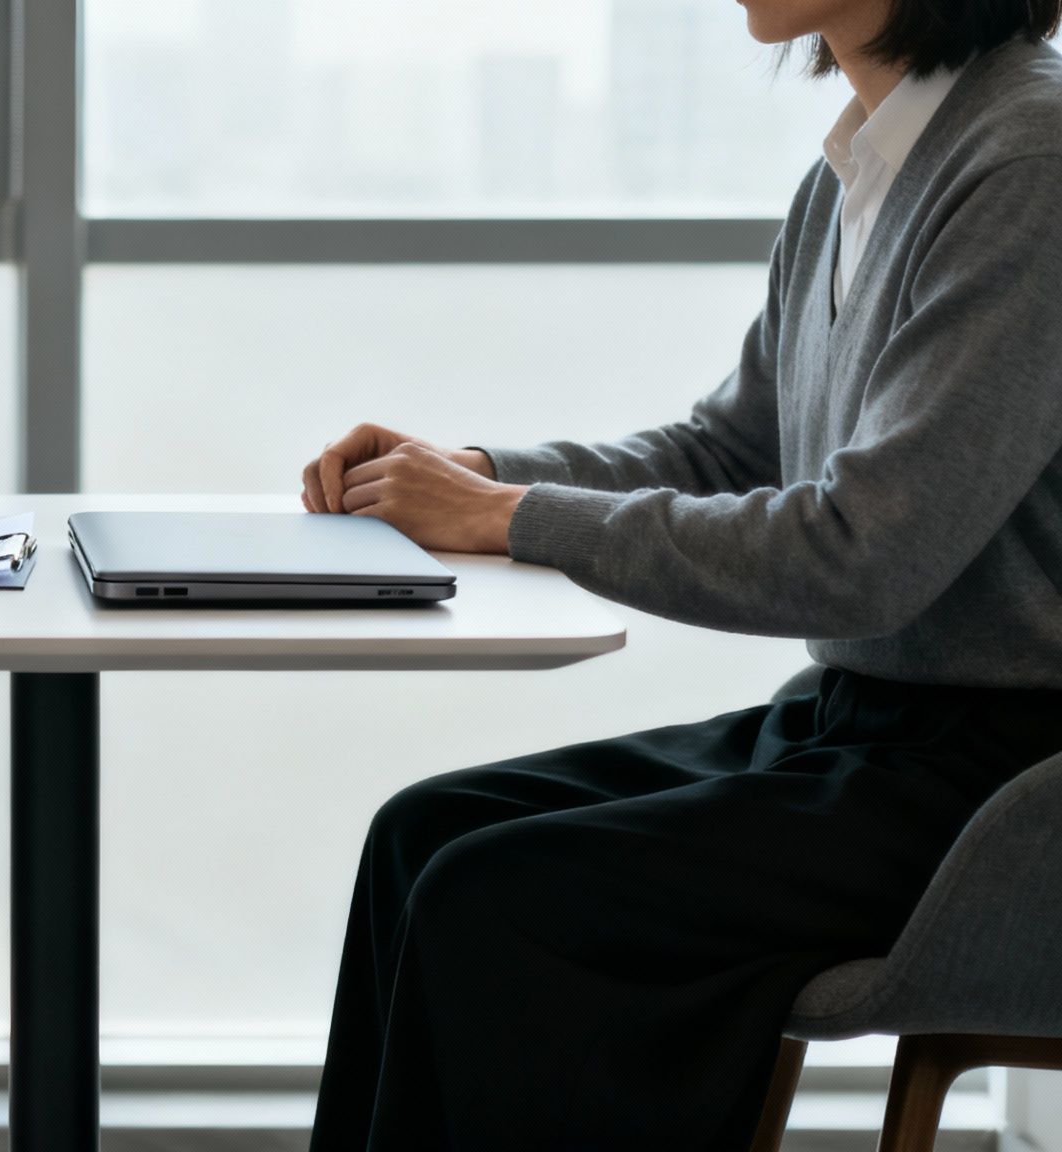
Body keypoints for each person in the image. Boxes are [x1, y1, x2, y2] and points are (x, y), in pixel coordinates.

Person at [298, 0, 1062, 1147]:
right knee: (420, 837)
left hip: (997, 783)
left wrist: (509, 517)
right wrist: (475, 474)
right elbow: (726, 451)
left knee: (496, 900)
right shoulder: (863, 164)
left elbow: (862, 554)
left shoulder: (1027, 163)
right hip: (860, 731)